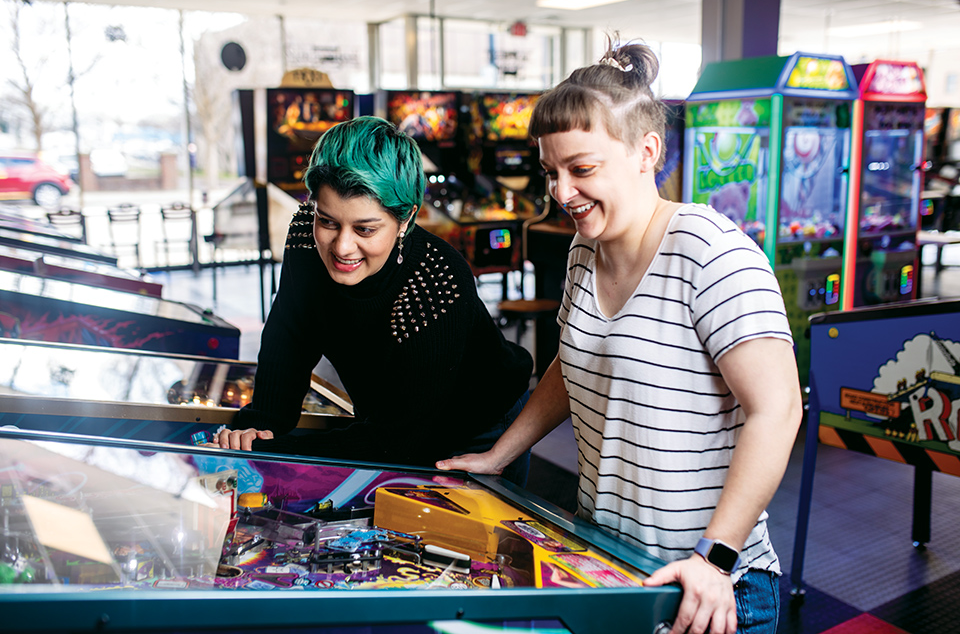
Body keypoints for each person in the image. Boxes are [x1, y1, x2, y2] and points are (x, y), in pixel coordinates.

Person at [436, 39, 803, 634]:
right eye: (551, 172)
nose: (561, 192)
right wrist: (501, 455)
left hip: (706, 587)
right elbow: (574, 362)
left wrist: (716, 556)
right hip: (611, 563)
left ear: (646, 152)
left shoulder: (710, 252)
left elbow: (778, 410)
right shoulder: (587, 248)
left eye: (581, 169)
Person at [212, 116, 534, 485]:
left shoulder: (437, 277)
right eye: (328, 221)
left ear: (406, 218)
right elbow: (290, 335)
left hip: (480, 428)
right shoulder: (304, 231)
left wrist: (278, 453)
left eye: (365, 229)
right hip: (389, 420)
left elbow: (397, 443)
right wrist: (260, 428)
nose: (342, 246)